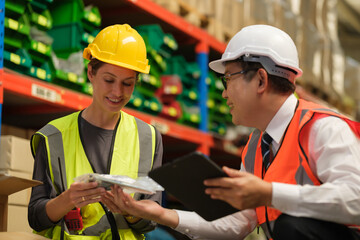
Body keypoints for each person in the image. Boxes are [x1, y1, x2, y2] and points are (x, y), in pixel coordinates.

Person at [103, 24, 360, 240]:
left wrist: (269, 193)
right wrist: (158, 214)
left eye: (228, 79)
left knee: (290, 225)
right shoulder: (256, 148)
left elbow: (355, 200)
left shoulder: (323, 127)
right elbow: (237, 223)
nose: (224, 92)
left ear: (260, 79)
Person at [28, 24, 163, 240]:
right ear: (91, 72)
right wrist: (68, 199)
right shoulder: (53, 136)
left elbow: (152, 220)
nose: (117, 92)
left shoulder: (148, 138)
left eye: (127, 84)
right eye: (109, 80)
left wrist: (128, 210)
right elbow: (35, 217)